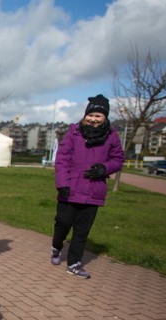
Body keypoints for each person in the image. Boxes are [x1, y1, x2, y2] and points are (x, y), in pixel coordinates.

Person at [50, 94, 125, 279]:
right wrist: (62, 184)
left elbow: (118, 159)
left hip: (93, 190)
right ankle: (57, 247)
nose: (93, 119)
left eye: (98, 116)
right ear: (85, 116)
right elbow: (62, 160)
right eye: (90, 115)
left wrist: (104, 168)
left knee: (82, 231)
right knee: (63, 223)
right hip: (70, 189)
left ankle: (74, 264)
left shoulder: (112, 137)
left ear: (105, 117)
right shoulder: (73, 133)